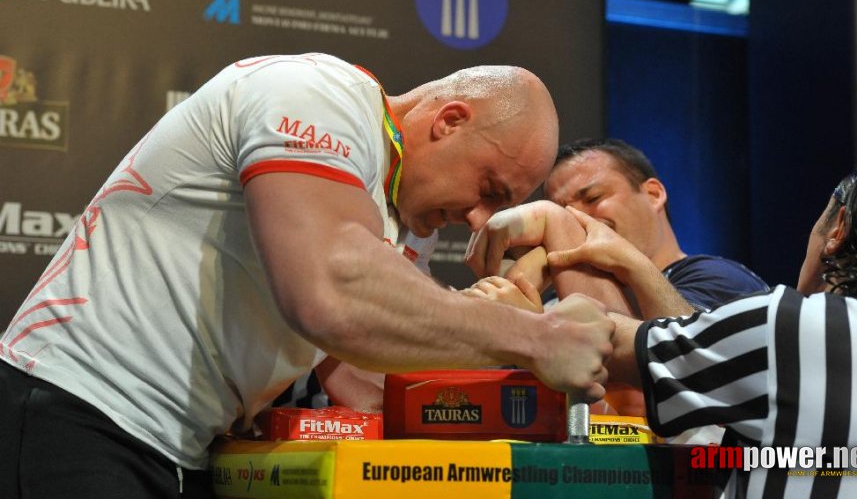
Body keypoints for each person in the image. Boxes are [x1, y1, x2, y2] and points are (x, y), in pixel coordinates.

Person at [0, 53, 614, 499]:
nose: (478, 219)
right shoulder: (319, 92)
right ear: (449, 119)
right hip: (75, 408)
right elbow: (329, 291)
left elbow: (370, 382)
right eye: (488, 189)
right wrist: (534, 338)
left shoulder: (389, 220)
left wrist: (537, 355)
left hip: (170, 449)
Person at [559, 143, 857, 498]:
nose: (574, 214)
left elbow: (601, 350)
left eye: (592, 196)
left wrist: (554, 233)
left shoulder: (788, 324)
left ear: (837, 230)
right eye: (561, 207)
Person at [543, 138, 768, 313]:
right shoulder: (556, 303)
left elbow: (679, 354)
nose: (574, 218)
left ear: (653, 194)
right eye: (561, 213)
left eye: (593, 198)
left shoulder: (720, 279)